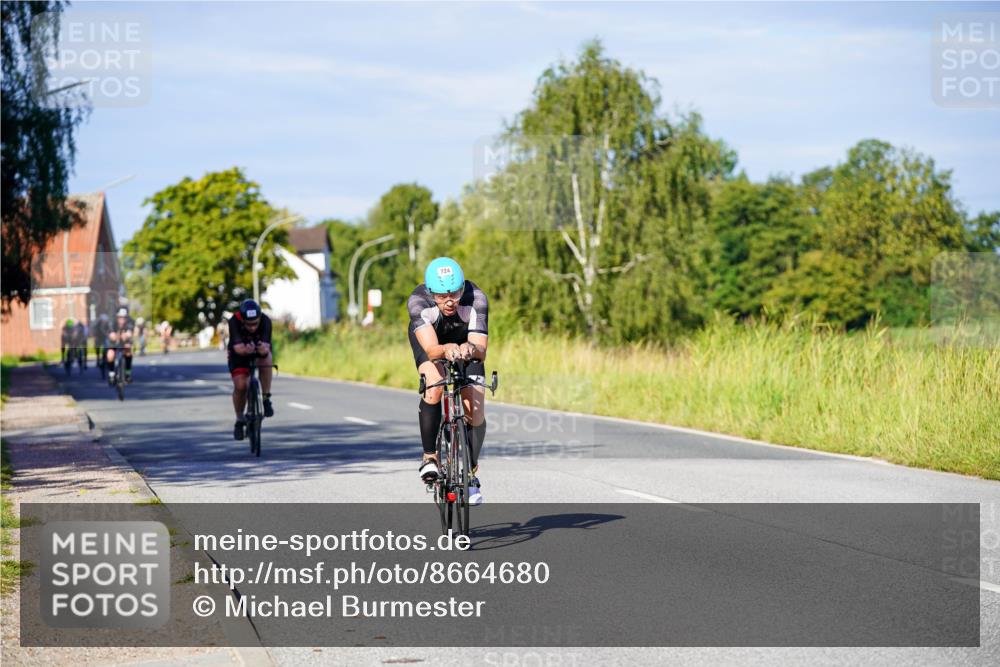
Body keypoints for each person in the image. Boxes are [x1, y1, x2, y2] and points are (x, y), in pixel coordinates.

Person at [407, 257, 489, 505]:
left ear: (462, 288)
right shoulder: (418, 301)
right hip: (432, 342)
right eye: (442, 296)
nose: (450, 300)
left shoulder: (476, 299)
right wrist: (446, 349)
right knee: (434, 383)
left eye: (454, 293)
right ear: (431, 293)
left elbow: (481, 350)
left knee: (475, 409)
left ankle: (470, 471)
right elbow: (432, 350)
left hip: (466, 343)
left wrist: (469, 349)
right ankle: (430, 457)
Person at [228, 299, 274, 440]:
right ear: (242, 320)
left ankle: (265, 397)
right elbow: (238, 348)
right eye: (249, 324)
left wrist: (262, 350)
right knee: (241, 386)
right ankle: (239, 419)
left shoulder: (266, 320)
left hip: (258, 349)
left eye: (255, 323)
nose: (253, 328)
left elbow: (266, 346)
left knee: (267, 358)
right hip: (239, 352)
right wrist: (245, 350)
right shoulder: (234, 321)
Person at [106, 307, 134, 384]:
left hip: (125, 341)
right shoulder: (112, 322)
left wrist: (128, 334)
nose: (122, 320)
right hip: (114, 341)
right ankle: (111, 374)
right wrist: (112, 335)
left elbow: (130, 330)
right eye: (120, 317)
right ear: (117, 317)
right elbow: (110, 332)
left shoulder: (129, 322)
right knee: (110, 355)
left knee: (128, 350)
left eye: (124, 318)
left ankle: (127, 374)